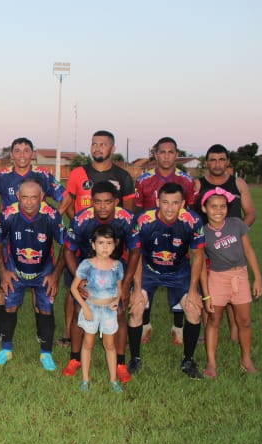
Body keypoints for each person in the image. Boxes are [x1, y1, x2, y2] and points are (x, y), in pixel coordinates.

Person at [0, 137, 70, 346]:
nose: (22, 154)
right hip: (9, 237)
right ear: (12, 154)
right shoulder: (2, 176)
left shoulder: (42, 175)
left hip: (38, 239)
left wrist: (52, 218)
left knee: (38, 285)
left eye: (26, 150)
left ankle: (42, 332)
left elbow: (66, 197)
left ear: (32, 153)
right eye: (17, 150)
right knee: (4, 285)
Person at [124, 182, 205, 378]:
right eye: (165, 202)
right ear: (158, 201)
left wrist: (194, 290)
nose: (169, 208)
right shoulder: (143, 220)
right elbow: (136, 255)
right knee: (136, 308)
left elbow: (198, 255)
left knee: (194, 310)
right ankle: (135, 358)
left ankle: (188, 360)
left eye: (175, 203)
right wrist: (137, 288)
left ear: (183, 203)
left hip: (179, 272)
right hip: (149, 270)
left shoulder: (193, 220)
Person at [62, 182, 134, 384]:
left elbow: (136, 251)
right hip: (87, 268)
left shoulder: (126, 219)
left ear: (116, 202)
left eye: (108, 202)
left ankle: (120, 363)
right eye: (98, 202)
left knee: (119, 313)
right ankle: (75, 359)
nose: (103, 206)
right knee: (79, 311)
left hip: (115, 271)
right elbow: (68, 250)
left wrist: (127, 283)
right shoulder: (81, 219)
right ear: (91, 201)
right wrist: (82, 279)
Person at [0, 178, 66, 370]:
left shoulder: (51, 215)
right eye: (25, 197)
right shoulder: (8, 215)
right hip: (15, 269)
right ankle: (6, 349)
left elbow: (67, 244)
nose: (30, 202)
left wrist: (55, 274)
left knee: (46, 309)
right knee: (10, 307)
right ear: (17, 197)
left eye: (34, 198)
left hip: (44, 271)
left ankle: (46, 353)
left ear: (42, 197)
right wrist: (3, 270)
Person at [133, 137, 197, 344]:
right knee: (145, 284)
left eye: (171, 152)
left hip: (178, 241)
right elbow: (138, 210)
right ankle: (145, 325)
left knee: (179, 283)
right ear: (155, 154)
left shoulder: (186, 180)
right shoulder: (144, 180)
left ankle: (178, 328)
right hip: (151, 241)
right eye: (162, 152)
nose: (167, 156)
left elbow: (191, 211)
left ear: (176, 154)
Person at [194, 144, 257, 343]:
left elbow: (251, 212)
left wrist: (236, 234)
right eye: (213, 159)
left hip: (232, 245)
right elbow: (190, 214)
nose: (217, 163)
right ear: (207, 162)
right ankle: (208, 330)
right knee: (208, 288)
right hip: (207, 247)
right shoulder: (198, 184)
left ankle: (235, 332)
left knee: (234, 288)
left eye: (221, 159)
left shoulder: (238, 183)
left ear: (228, 161)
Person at [200, 188, 262, 378]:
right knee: (214, 320)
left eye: (222, 206)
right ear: (204, 208)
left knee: (244, 321)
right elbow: (200, 265)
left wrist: (257, 279)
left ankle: (246, 359)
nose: (218, 210)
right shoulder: (202, 233)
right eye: (213, 207)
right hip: (218, 278)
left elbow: (249, 251)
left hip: (240, 276)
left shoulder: (236, 224)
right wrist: (206, 294)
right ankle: (211, 363)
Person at [71, 224, 125, 392]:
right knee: (88, 343)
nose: (105, 247)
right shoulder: (87, 264)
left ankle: (113, 380)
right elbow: (74, 288)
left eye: (109, 243)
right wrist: (85, 307)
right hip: (92, 309)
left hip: (109, 310)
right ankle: (85, 380)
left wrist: (117, 300)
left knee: (110, 345)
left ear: (115, 245)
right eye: (101, 243)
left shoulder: (117, 265)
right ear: (93, 245)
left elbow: (119, 287)